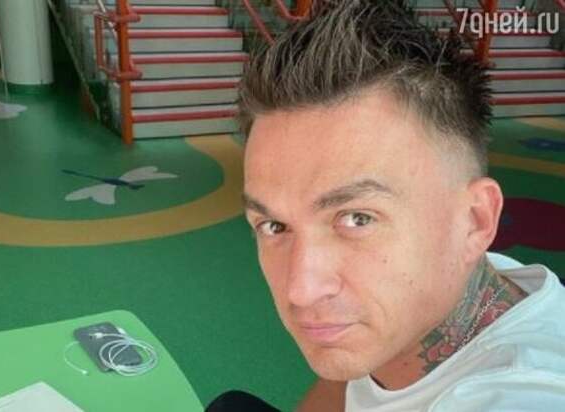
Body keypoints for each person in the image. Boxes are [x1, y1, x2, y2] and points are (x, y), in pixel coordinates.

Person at [207, 0, 565, 410]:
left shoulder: (523, 392)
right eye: (274, 226)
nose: (301, 291)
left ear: (475, 221)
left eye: (356, 218)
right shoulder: (455, 282)